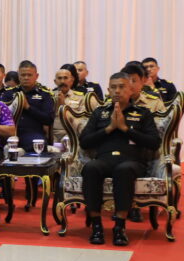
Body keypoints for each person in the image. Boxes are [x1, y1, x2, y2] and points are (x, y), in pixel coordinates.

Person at [79, 73, 161, 246]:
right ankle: (96, 226)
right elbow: (84, 142)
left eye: (122, 87)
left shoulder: (143, 113)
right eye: (113, 87)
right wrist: (109, 128)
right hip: (104, 160)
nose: (117, 91)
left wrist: (125, 129)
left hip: (132, 162)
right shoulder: (99, 113)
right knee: (91, 168)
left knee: (123, 170)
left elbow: (154, 143)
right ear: (108, 90)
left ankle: (119, 227)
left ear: (131, 90)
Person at [10, 60, 55, 147]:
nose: (26, 78)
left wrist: (28, 108)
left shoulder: (44, 94)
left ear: (36, 76)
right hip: (9, 132)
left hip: (32, 132)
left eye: (29, 75)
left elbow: (48, 120)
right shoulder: (8, 93)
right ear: (18, 76)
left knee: (38, 145)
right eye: (23, 75)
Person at [52, 64, 89, 142]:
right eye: (59, 78)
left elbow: (83, 120)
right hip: (52, 134)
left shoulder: (80, 97)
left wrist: (64, 106)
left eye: (65, 78)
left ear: (72, 80)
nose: (62, 81)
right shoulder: (49, 97)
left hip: (72, 133)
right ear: (55, 81)